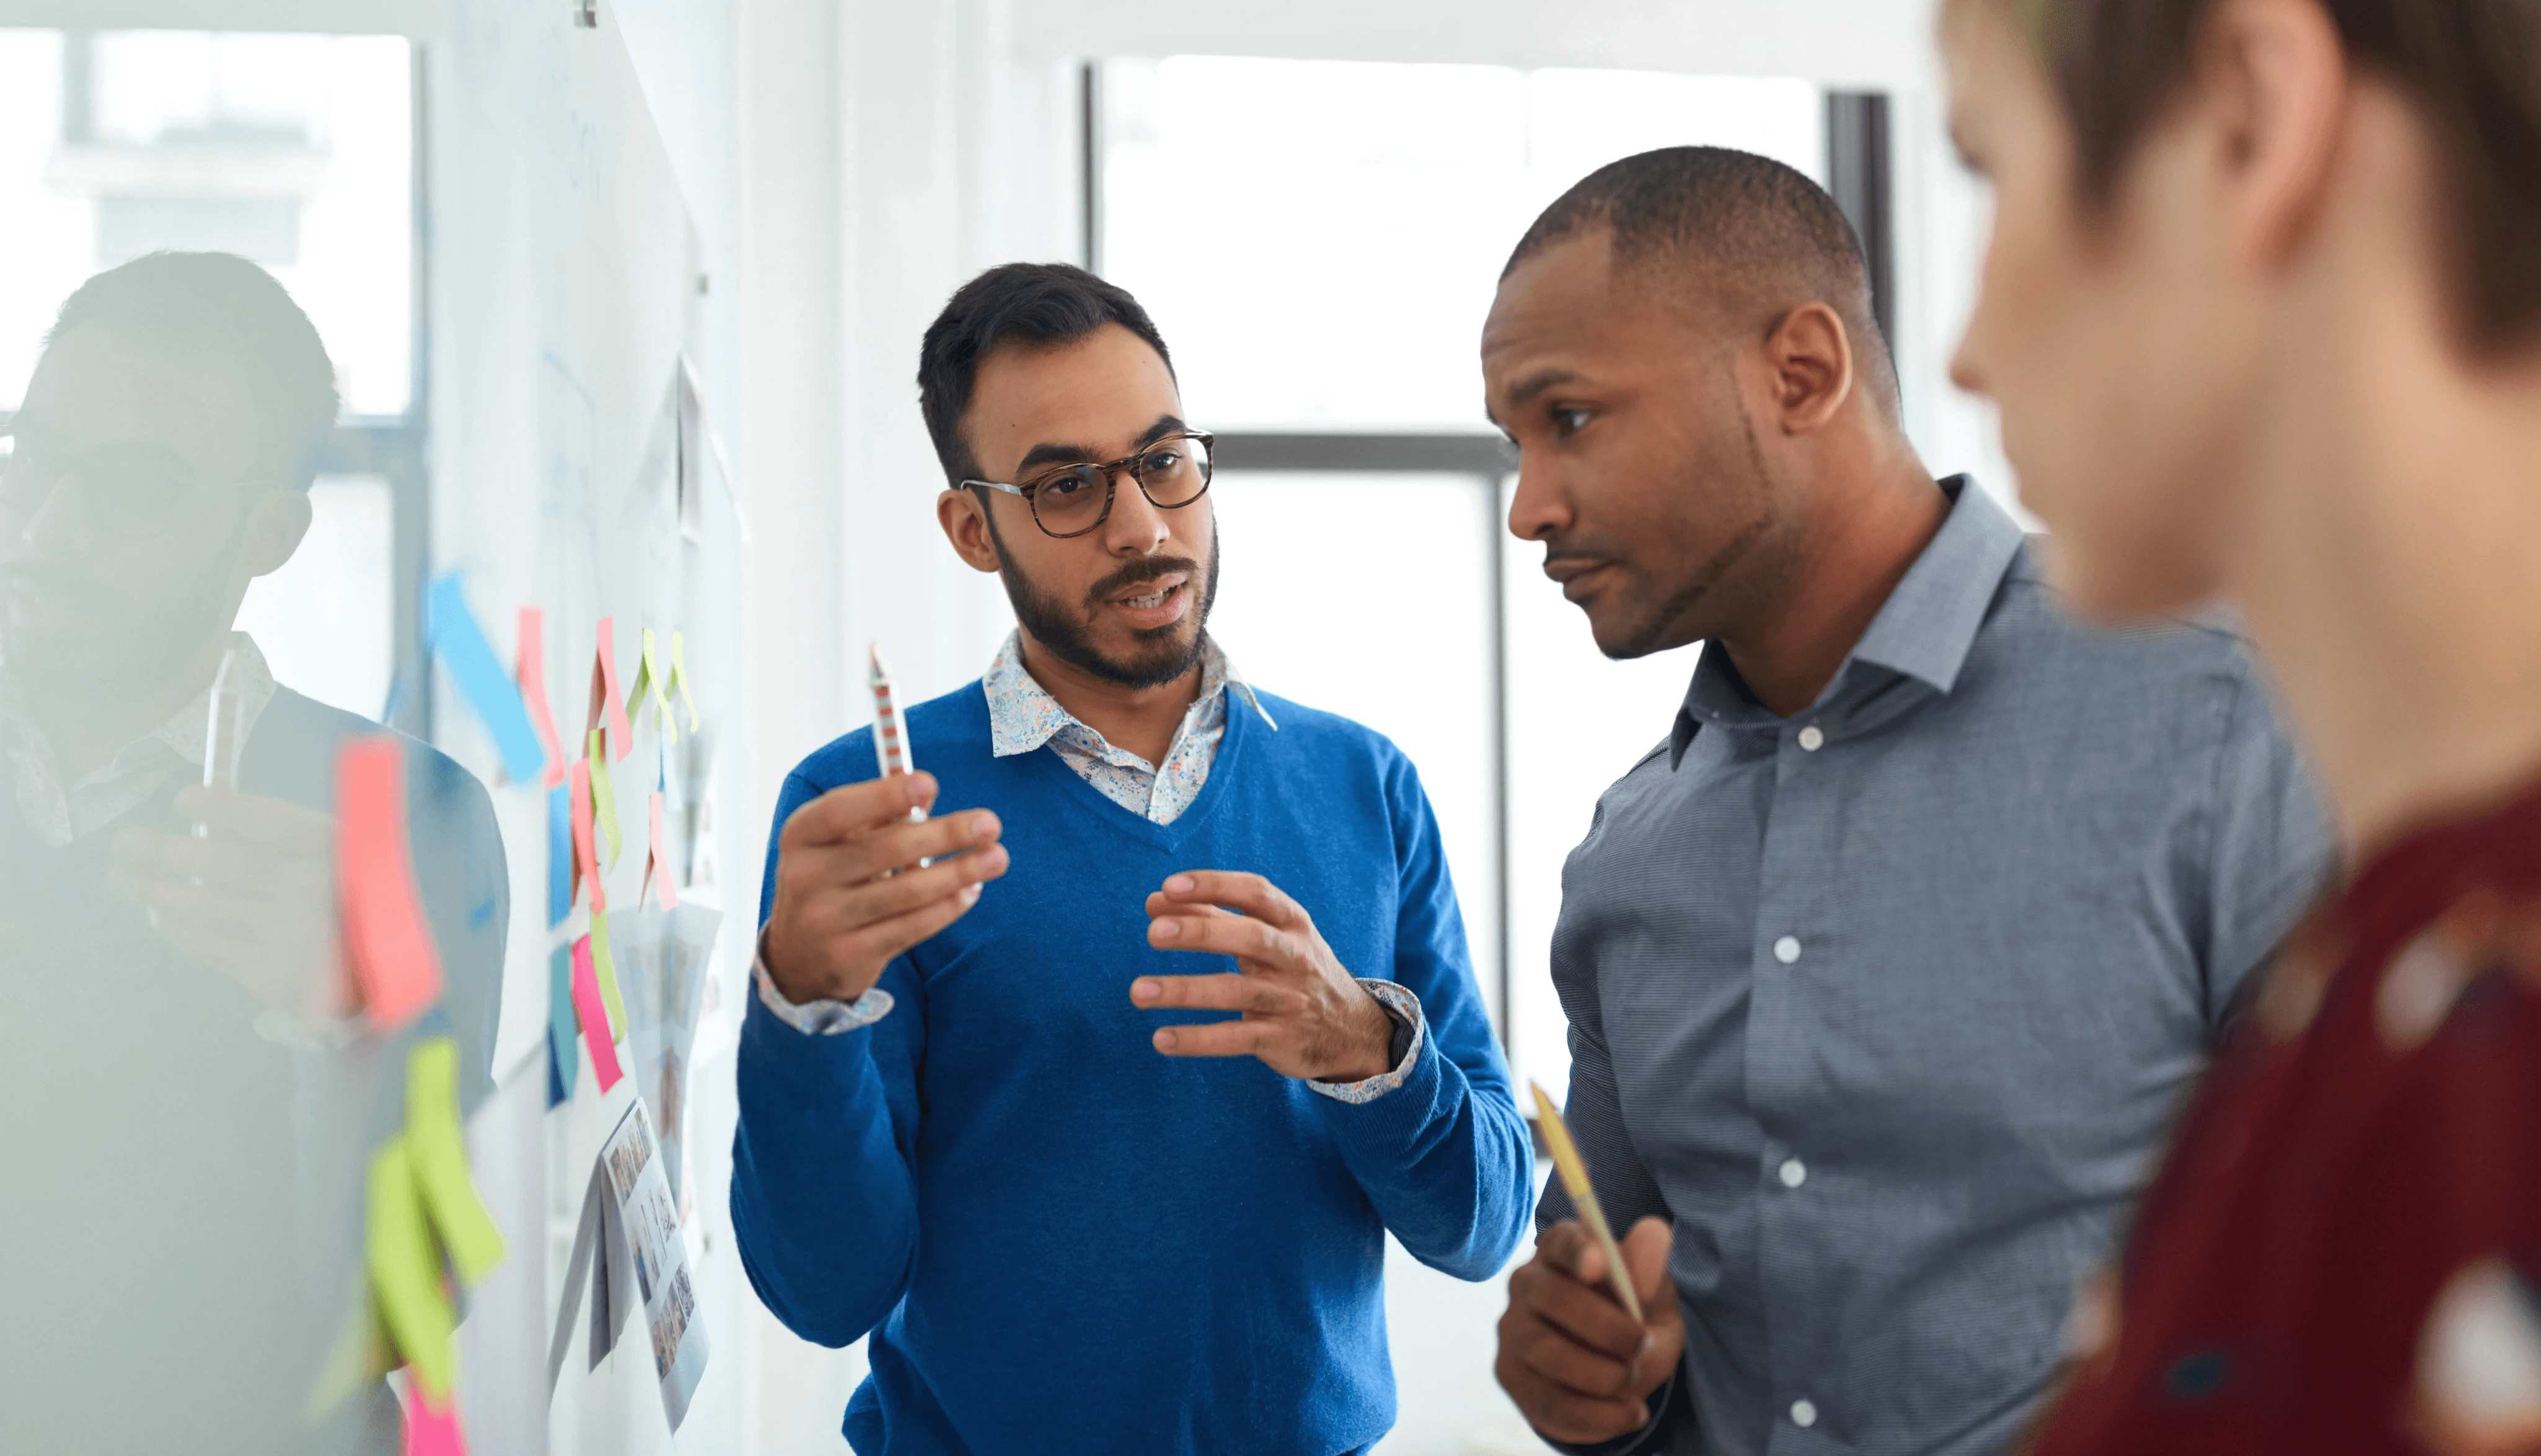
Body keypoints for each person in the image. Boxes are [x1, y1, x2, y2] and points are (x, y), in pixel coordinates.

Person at [1479, 147, 2336, 1455]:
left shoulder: (2223, 715)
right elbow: (1619, 1302)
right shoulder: (1627, 859)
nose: (1528, 507)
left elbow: (2398, 1270)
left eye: (1572, 418)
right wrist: (1587, 1372)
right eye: (1514, 444)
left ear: (1799, 373)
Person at [730, 262, 1532, 1455]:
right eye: (1067, 486)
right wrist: (801, 1005)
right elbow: (827, 1291)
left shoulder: (1366, 786)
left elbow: (1485, 1224)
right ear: (973, 528)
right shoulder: (869, 816)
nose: (1144, 526)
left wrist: (1365, 1047)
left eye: (1163, 460)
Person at [1942, 2, 2541, 1452]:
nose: (1962, 349)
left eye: (1989, 168)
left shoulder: (2489, 1034)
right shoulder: (2389, 954)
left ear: (2245, 121)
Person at [0, 252, 506, 1454]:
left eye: (134, 486)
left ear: (267, 532)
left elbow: (416, 1307)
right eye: (34, 455)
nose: (48, 524)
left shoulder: (406, 816)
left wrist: (357, 1028)